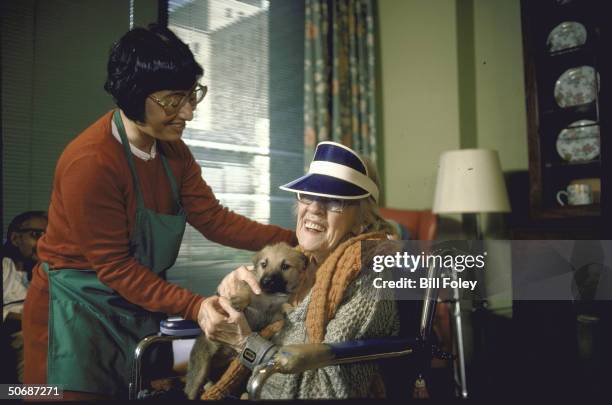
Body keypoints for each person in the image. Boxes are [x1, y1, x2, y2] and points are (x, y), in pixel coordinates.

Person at [21, 24, 295, 400]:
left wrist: (295, 242)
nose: (189, 112)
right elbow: (116, 268)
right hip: (72, 314)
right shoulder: (90, 163)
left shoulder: (172, 151)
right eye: (173, 100)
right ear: (135, 96)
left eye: (192, 96)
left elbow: (213, 219)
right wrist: (195, 305)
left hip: (130, 303)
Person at [199, 141, 400, 399]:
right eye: (308, 195)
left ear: (363, 221)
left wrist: (244, 344)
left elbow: (325, 392)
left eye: (335, 201)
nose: (314, 208)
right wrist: (221, 301)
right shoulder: (296, 263)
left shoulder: (371, 279)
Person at [1, 211, 48, 383]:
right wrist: (28, 319)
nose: (44, 242)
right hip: (20, 333)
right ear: (15, 239)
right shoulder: (6, 267)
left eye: (49, 236)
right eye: (36, 235)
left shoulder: (46, 272)